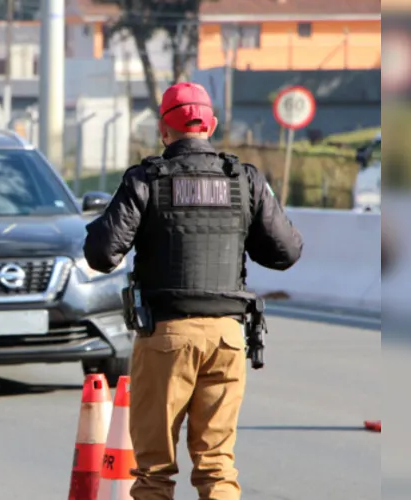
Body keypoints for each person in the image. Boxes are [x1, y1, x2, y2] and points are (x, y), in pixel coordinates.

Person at [82, 82, 304, 500]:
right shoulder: (244, 178)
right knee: (218, 469)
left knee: (154, 474)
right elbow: (285, 252)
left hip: (167, 337)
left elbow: (101, 252)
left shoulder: (146, 179)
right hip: (227, 337)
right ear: (212, 125)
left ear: (163, 131)